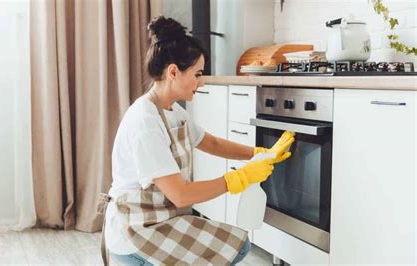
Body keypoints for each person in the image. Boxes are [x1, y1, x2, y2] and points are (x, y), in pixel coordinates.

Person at [98, 16, 295, 265]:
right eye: (198, 74)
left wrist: (258, 152)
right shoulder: (145, 122)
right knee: (234, 247)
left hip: (161, 219)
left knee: (237, 246)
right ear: (173, 72)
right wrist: (239, 178)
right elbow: (180, 195)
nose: (201, 82)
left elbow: (210, 143)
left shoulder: (173, 111)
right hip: (136, 232)